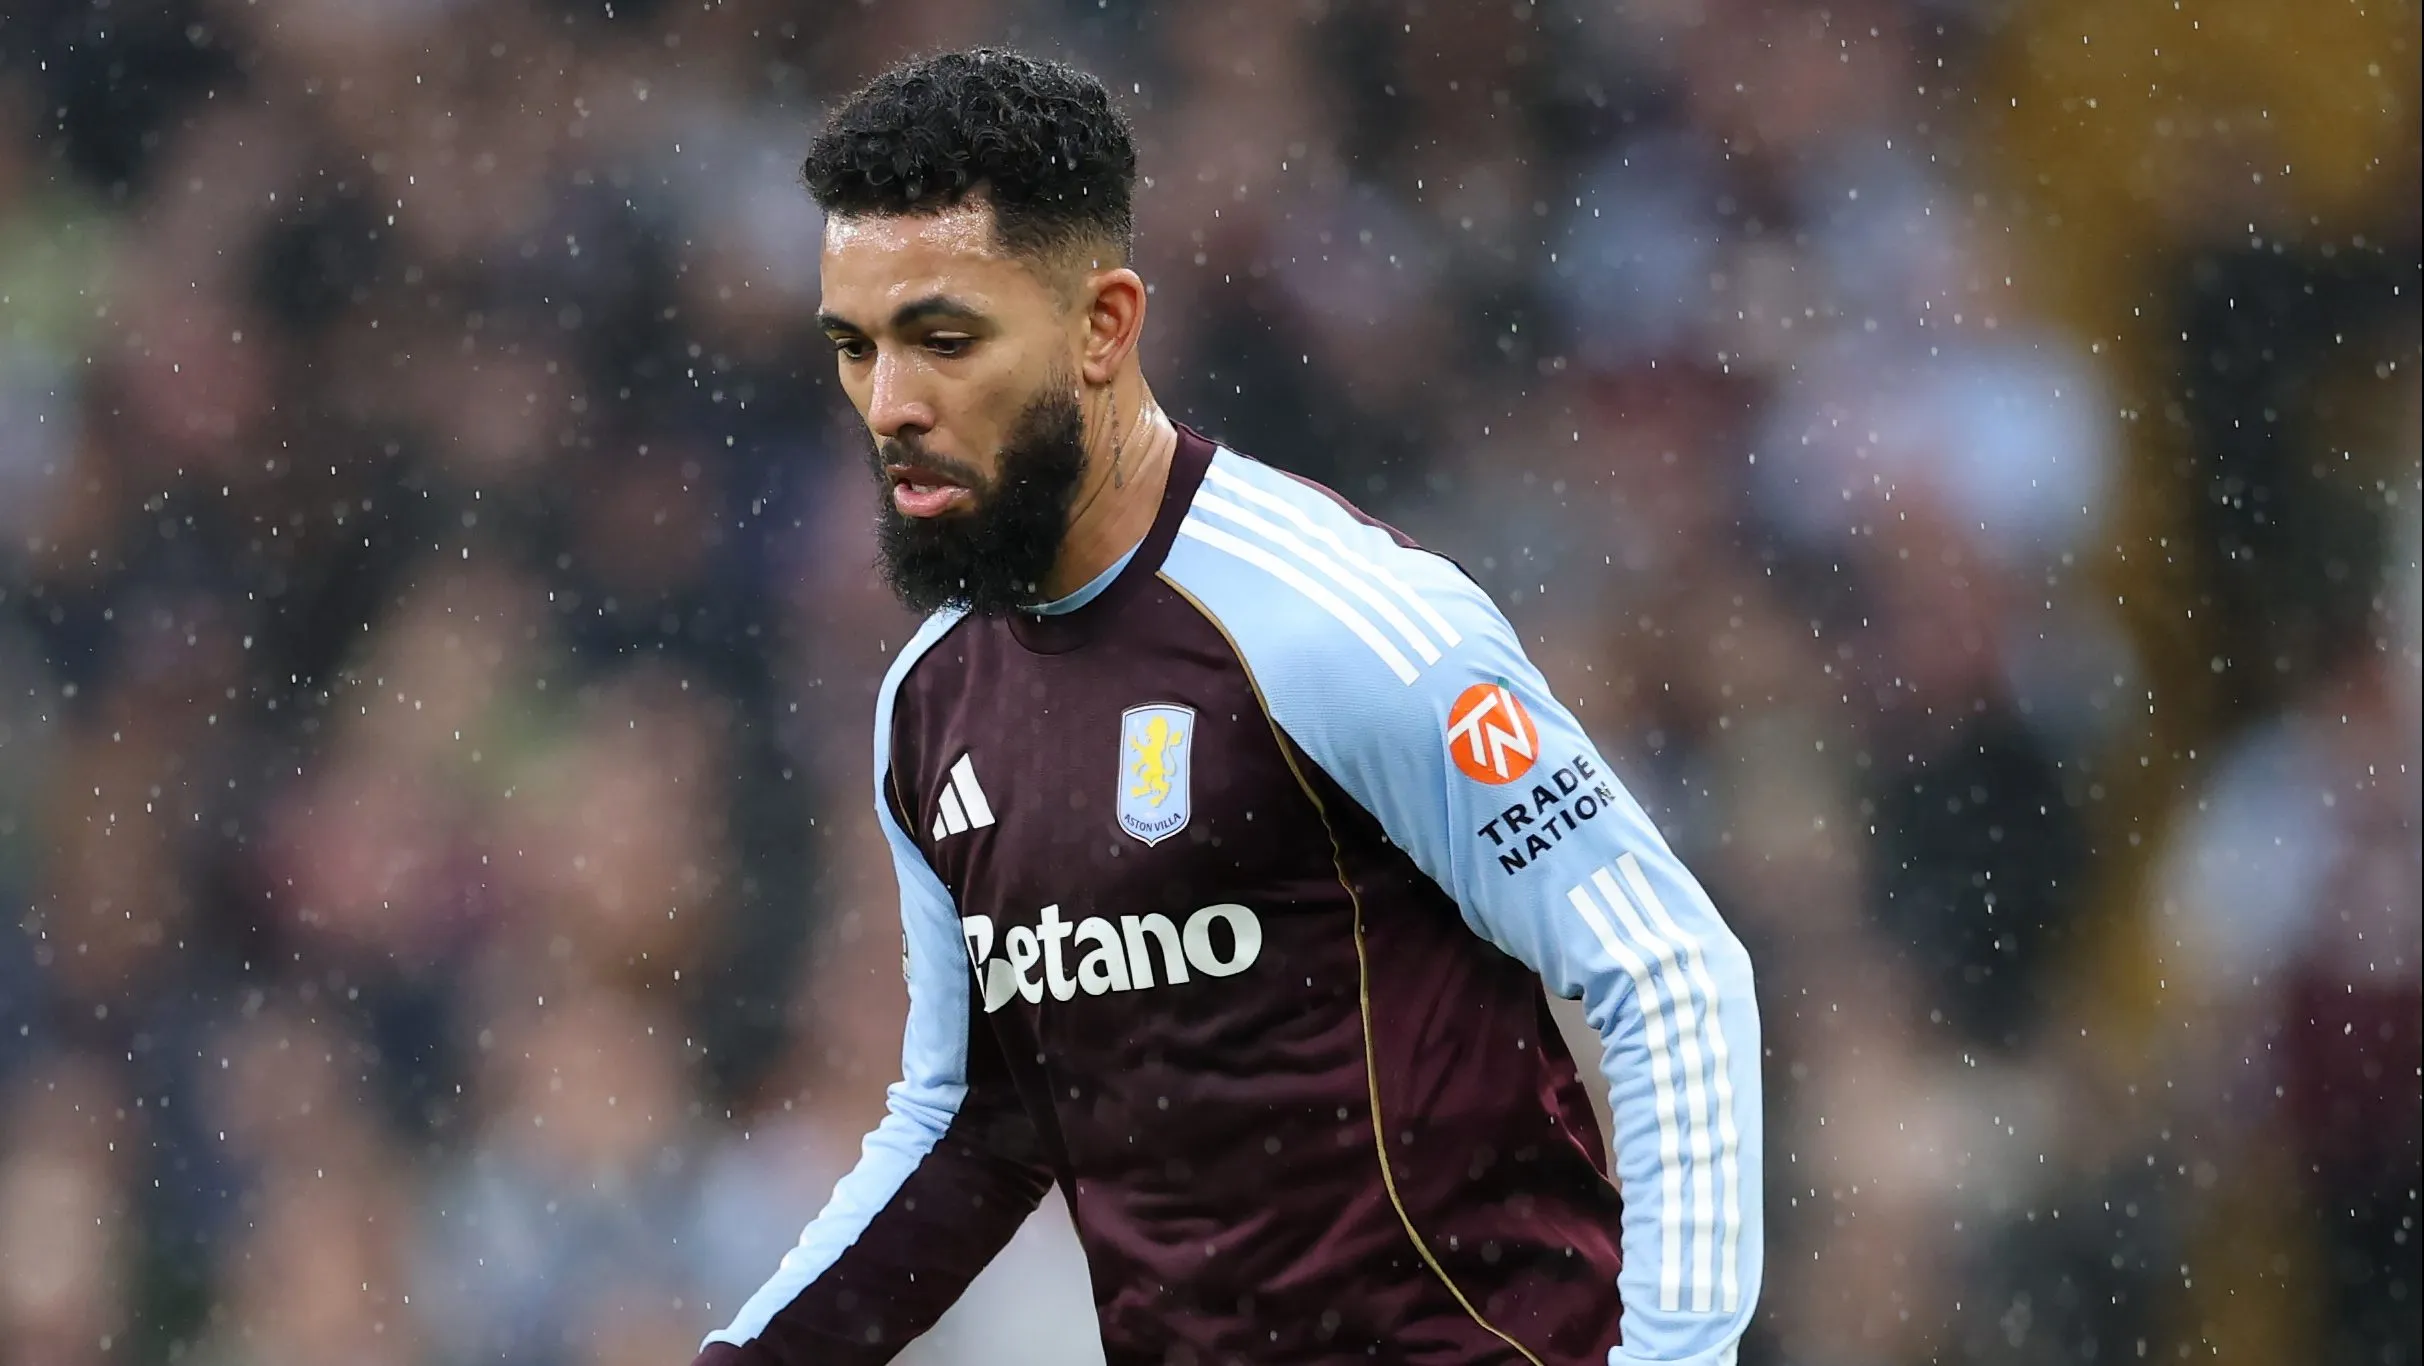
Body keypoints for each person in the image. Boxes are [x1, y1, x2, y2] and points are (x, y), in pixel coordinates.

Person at [695, 49, 1762, 1366]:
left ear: (1104, 325)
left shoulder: (1338, 623)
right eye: (857, 348)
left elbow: (1667, 973)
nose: (892, 404)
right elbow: (979, 1120)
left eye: (945, 338)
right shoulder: (931, 706)